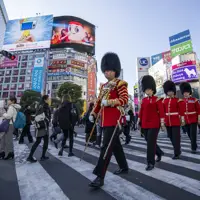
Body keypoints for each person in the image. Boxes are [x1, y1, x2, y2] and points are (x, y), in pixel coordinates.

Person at [89, 52, 129, 188]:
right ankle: (124, 166)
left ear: (115, 71)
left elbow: (124, 100)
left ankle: (100, 176)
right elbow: (99, 102)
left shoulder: (120, 84)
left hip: (115, 120)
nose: (107, 73)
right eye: (105, 71)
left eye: (110, 70)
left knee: (105, 148)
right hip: (105, 121)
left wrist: (110, 102)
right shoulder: (103, 86)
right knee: (115, 146)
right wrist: (93, 113)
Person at [138, 75, 164, 171]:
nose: (147, 91)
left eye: (149, 89)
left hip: (154, 123)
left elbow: (161, 112)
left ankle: (150, 162)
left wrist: (162, 123)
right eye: (146, 90)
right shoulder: (143, 100)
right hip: (145, 123)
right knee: (148, 140)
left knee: (150, 143)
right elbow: (141, 111)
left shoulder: (158, 99)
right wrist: (138, 120)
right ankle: (159, 152)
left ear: (152, 89)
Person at [162, 80, 185, 159]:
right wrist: (163, 121)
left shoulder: (178, 100)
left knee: (176, 137)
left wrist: (182, 120)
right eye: (168, 91)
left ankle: (177, 153)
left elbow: (181, 112)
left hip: (175, 121)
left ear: (174, 91)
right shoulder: (164, 101)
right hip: (168, 122)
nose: (170, 93)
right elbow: (163, 112)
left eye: (171, 91)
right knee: (171, 137)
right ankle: (178, 149)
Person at [27, 95, 51, 162]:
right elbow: (47, 116)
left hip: (39, 125)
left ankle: (30, 156)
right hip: (44, 126)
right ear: (45, 99)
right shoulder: (45, 106)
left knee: (38, 141)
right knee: (45, 141)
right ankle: (42, 156)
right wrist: (48, 120)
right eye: (48, 99)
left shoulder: (39, 105)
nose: (49, 100)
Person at [179, 82, 200, 154]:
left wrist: (199, 119)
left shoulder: (195, 100)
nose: (185, 94)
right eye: (184, 92)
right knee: (189, 135)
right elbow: (180, 112)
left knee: (193, 134)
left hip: (193, 119)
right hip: (185, 120)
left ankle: (193, 148)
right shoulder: (181, 101)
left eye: (187, 92)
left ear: (189, 92)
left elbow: (198, 111)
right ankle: (195, 145)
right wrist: (182, 121)